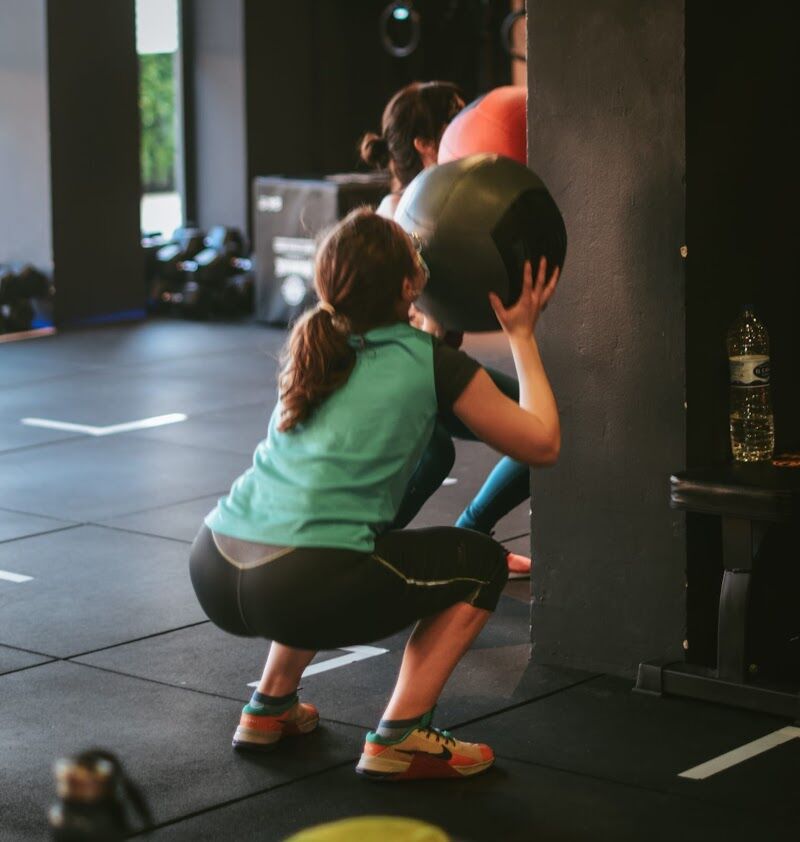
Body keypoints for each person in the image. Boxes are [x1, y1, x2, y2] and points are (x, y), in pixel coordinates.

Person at [190, 208, 560, 780]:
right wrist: (522, 335)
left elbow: (399, 363)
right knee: (482, 562)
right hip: (298, 583)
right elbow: (541, 443)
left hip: (215, 562)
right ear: (409, 285)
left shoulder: (318, 344)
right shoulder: (432, 364)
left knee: (328, 530)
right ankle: (402, 737)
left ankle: (270, 707)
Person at [360, 81, 534, 578]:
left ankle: (471, 535)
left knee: (539, 420)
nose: (470, 127)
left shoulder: (451, 212)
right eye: (457, 119)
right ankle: (349, 555)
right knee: (434, 450)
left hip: (428, 365)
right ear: (425, 143)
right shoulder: (402, 219)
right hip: (394, 377)